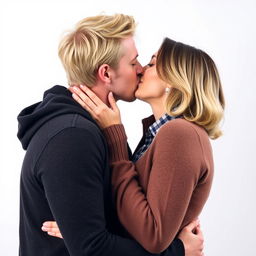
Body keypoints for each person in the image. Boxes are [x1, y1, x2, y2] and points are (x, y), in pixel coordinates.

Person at [17, 14, 204, 256]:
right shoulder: (73, 137)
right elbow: (92, 250)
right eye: (134, 62)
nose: (140, 70)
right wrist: (178, 251)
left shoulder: (95, 129)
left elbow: (114, 216)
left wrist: (81, 227)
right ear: (106, 74)